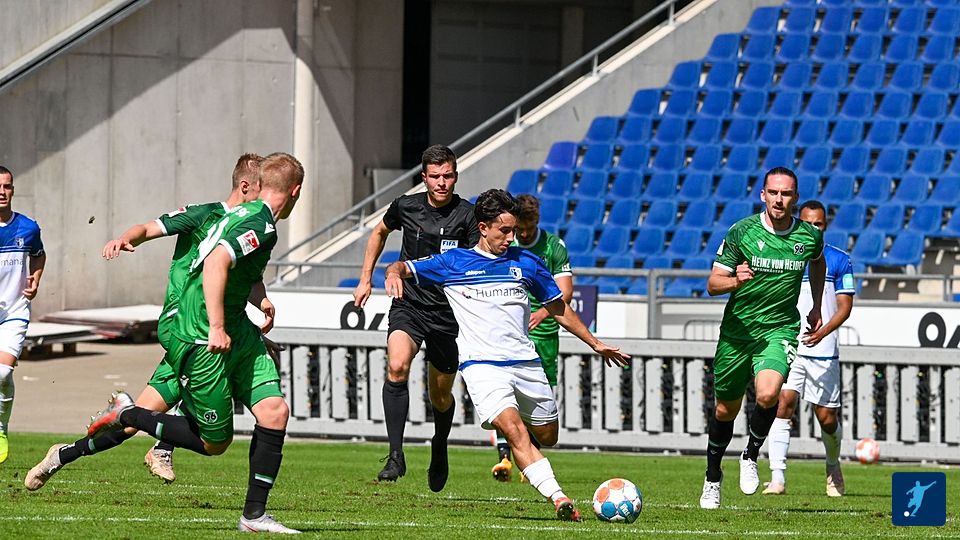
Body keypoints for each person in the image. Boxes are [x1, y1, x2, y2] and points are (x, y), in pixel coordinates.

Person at [56, 153, 301, 533]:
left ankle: (253, 516)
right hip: (195, 333)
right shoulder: (241, 219)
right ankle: (133, 420)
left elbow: (241, 271)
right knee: (213, 441)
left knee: (274, 411)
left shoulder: (247, 218)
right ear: (293, 191)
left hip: (231, 330)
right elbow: (213, 261)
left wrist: (259, 302)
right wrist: (217, 326)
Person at [24, 154, 270, 488]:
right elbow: (149, 227)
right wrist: (126, 239)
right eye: (264, 190)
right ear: (245, 186)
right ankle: (163, 447)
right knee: (216, 399)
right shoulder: (206, 215)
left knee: (131, 423)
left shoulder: (252, 228)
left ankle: (62, 455)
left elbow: (247, 279)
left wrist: (262, 302)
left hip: (210, 336)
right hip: (184, 326)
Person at [383, 189, 629, 521]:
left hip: (526, 363)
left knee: (548, 435)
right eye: (505, 231)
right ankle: (560, 498)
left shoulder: (526, 262)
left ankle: (528, 448)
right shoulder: (454, 262)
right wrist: (392, 273)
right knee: (513, 431)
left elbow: (558, 306)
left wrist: (594, 343)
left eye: (513, 230)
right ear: (483, 228)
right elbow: (402, 266)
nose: (511, 237)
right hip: (482, 367)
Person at [699, 167, 827, 510]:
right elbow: (712, 284)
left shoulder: (809, 236)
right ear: (763, 195)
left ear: (795, 198)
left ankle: (751, 454)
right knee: (725, 409)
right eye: (773, 193)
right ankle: (712, 477)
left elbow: (817, 263)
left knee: (769, 394)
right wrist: (735, 281)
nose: (779, 199)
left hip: (779, 328)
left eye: (786, 194)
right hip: (737, 333)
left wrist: (816, 305)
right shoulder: (742, 232)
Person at [353, 144, 479, 490]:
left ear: (456, 176)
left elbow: (473, 263)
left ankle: (440, 444)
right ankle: (396, 455)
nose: (442, 182)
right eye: (435, 176)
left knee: (440, 396)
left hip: (448, 314)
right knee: (396, 366)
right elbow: (379, 232)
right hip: (409, 306)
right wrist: (366, 278)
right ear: (424, 178)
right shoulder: (406, 206)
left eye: (448, 175)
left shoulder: (468, 216)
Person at [763, 200, 855, 497]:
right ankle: (777, 477)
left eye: (819, 224)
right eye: (808, 223)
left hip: (823, 348)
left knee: (826, 418)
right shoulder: (785, 255)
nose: (814, 228)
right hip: (788, 343)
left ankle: (833, 464)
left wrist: (822, 332)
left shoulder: (839, 259)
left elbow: (844, 307)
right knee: (783, 403)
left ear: (825, 225)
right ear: (799, 223)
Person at [491, 194, 572, 482]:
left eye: (529, 227)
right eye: (520, 228)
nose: (523, 234)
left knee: (538, 395)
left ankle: (531, 457)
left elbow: (565, 291)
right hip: (509, 329)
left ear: (537, 220)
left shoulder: (553, 246)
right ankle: (503, 456)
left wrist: (542, 314)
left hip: (544, 332)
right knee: (504, 392)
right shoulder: (505, 244)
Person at [0, 166, 45, 464]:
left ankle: (1, 428)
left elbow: (39, 255)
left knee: (3, 372)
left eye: (7, 186)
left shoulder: (28, 227)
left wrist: (35, 279)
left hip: (14, 312)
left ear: (13, 190)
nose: (2, 192)